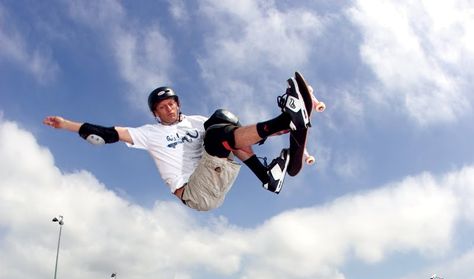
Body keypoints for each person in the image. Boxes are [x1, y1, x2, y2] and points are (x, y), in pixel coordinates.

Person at [42, 76, 312, 212]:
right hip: (194, 193)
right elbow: (109, 132)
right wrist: (66, 124)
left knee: (222, 121)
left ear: (178, 104)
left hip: (215, 174)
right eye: (162, 107)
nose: (169, 109)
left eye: (171, 104)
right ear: (155, 113)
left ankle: (268, 175)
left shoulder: (196, 121)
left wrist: (297, 135)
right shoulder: (149, 133)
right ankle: (282, 125)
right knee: (218, 133)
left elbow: (240, 134)